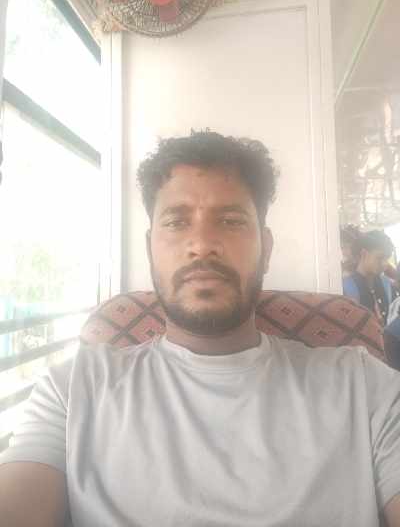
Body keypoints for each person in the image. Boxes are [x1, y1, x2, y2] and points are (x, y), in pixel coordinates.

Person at [1, 131, 400, 527]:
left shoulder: (366, 387)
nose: (203, 244)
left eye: (230, 221)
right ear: (150, 250)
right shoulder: (72, 391)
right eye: (176, 222)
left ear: (265, 249)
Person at [343, 230, 395, 325]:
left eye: (387, 258)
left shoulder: (386, 283)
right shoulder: (346, 286)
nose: (384, 263)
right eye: (380, 258)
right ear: (364, 254)